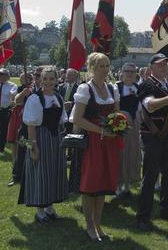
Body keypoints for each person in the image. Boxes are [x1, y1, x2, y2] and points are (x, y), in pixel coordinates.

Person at [72, 52, 123, 241]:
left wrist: (119, 127)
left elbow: (117, 116)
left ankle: (98, 224)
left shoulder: (112, 89)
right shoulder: (85, 89)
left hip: (108, 143)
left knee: (102, 184)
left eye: (108, 66)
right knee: (90, 184)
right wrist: (101, 131)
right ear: (92, 68)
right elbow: (77, 119)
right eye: (102, 66)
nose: (106, 69)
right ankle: (89, 226)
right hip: (92, 143)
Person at [18, 67, 68, 222]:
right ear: (40, 80)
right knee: (40, 171)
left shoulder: (58, 97)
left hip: (55, 139)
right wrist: (33, 147)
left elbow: (61, 120)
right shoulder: (35, 98)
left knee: (54, 171)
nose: (48, 82)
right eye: (45, 79)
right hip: (39, 137)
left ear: (56, 80)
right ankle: (40, 209)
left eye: (51, 79)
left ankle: (49, 206)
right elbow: (31, 125)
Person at [136, 53, 168, 232]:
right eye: (160, 65)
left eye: (166, 65)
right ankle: (143, 216)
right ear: (152, 67)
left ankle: (167, 210)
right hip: (151, 135)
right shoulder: (147, 84)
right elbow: (150, 105)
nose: (164, 67)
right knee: (150, 176)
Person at [115, 63, 141, 198]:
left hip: (135, 124)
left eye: (132, 71)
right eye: (127, 71)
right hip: (120, 125)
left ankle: (127, 184)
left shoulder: (138, 87)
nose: (130, 74)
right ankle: (118, 185)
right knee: (121, 153)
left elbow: (141, 107)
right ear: (122, 72)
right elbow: (114, 107)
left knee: (132, 152)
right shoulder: (116, 87)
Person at [7, 72, 34, 187]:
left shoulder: (38, 88)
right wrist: (23, 93)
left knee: (31, 146)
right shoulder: (21, 88)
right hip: (21, 119)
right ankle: (16, 174)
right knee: (21, 144)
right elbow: (16, 100)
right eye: (23, 78)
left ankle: (29, 173)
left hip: (33, 122)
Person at [58, 68, 79, 134]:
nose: (67, 76)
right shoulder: (61, 87)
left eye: (70, 75)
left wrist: (71, 103)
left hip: (71, 114)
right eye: (67, 74)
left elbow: (79, 101)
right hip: (61, 113)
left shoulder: (79, 88)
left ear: (75, 77)